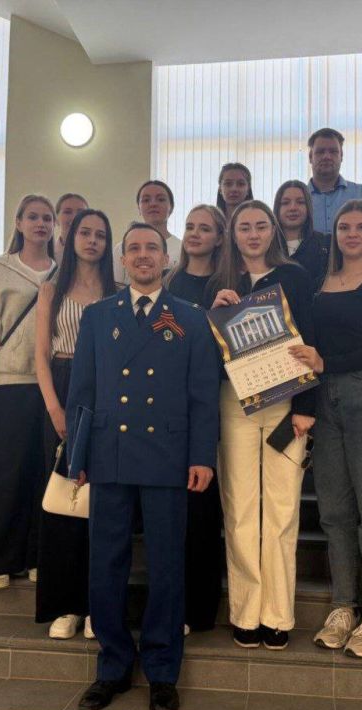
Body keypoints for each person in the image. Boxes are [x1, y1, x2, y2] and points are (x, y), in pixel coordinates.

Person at [68, 223, 220, 710]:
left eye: (151, 248)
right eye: (133, 248)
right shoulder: (98, 316)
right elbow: (82, 391)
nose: (142, 255)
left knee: (167, 565)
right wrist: (78, 457)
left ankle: (161, 669)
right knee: (105, 563)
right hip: (109, 452)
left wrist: (202, 455)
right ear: (123, 259)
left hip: (168, 453)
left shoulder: (190, 317)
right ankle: (112, 666)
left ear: (166, 257)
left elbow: (203, 394)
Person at [290, 199, 362, 658]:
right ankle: (343, 607)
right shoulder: (320, 282)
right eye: (344, 227)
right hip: (324, 399)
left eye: (361, 227)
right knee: (335, 512)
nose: (352, 234)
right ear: (333, 234)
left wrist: (326, 362)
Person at [208, 200, 316, 651]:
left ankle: (277, 615)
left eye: (260, 226)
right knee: (240, 510)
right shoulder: (219, 283)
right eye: (244, 228)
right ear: (232, 235)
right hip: (234, 404)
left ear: (273, 230)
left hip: (286, 404)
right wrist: (211, 314)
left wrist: (307, 407)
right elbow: (205, 355)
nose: (252, 235)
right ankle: (245, 613)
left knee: (282, 508)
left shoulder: (296, 278)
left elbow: (311, 340)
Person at [0, 194, 58, 590]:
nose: (41, 224)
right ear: (19, 223)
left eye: (47, 218)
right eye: (33, 217)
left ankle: (37, 555)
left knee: (44, 472)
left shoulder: (63, 271)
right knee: (5, 473)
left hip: (54, 384)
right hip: (11, 382)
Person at [34, 208, 117, 639]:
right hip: (64, 386)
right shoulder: (52, 289)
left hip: (106, 392)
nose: (92, 240)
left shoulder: (117, 292)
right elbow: (40, 355)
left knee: (100, 503)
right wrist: (54, 408)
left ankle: (96, 606)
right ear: (71, 238)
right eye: (85, 232)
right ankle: (65, 606)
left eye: (100, 235)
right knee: (64, 502)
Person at [166, 204, 226, 631]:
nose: (194, 234)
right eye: (189, 227)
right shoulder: (169, 282)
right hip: (171, 403)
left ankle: (200, 609)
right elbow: (164, 336)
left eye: (205, 228)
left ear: (220, 238)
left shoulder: (228, 283)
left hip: (213, 399)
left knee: (203, 508)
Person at [307, 128, 362, 234]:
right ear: (310, 157)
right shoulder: (297, 201)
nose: (327, 156)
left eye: (333, 152)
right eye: (320, 152)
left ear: (341, 156)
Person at [113, 180, 181, 284]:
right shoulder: (121, 248)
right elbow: (116, 287)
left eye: (160, 199)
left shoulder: (182, 249)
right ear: (139, 208)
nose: (153, 204)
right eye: (146, 200)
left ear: (171, 207)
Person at [275, 179, 331, 285]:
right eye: (285, 203)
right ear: (277, 208)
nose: (293, 208)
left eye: (300, 202)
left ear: (308, 207)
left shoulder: (325, 244)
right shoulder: (266, 245)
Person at [55, 193, 89, 265]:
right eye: (67, 212)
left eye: (81, 212)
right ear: (56, 219)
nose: (74, 217)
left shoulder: (102, 254)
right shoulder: (46, 255)